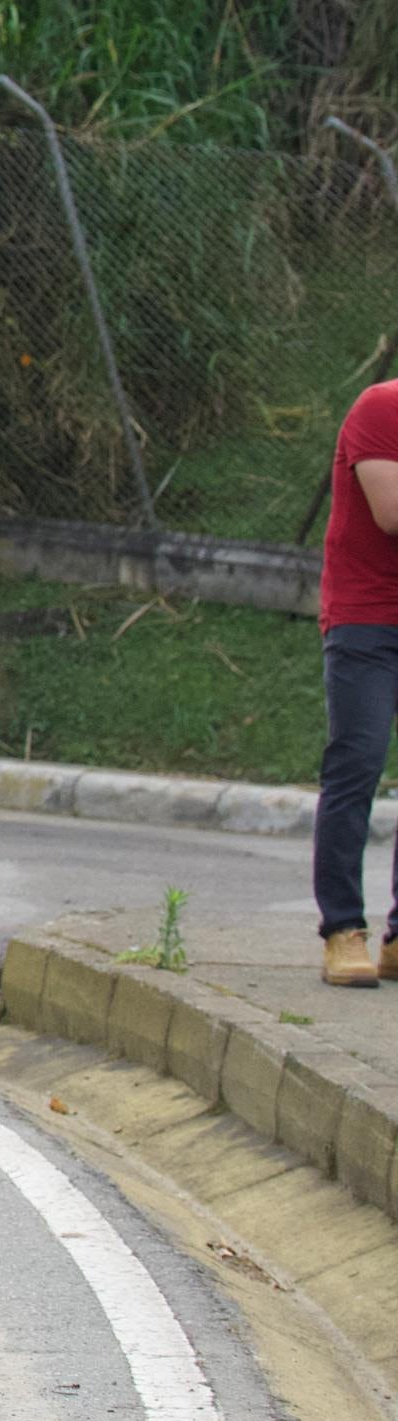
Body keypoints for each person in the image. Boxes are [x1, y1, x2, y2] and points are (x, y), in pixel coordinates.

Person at [312, 379, 398, 987]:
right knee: (359, 763)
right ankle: (343, 929)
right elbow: (391, 512)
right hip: (367, 619)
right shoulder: (382, 407)